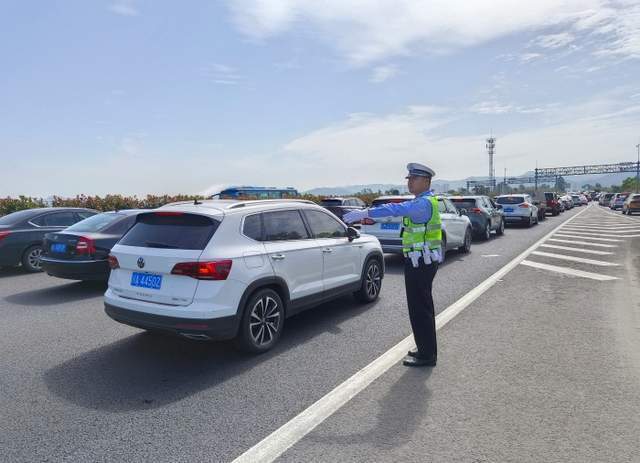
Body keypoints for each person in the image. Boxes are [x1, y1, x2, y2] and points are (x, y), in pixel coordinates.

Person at [343, 163, 442, 367]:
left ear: (426, 181)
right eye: (409, 179)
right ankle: (426, 348)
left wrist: (365, 214)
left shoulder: (422, 204)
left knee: (419, 308)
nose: (410, 182)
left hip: (420, 262)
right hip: (421, 260)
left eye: (414, 179)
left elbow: (396, 209)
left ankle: (427, 355)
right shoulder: (423, 201)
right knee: (422, 306)